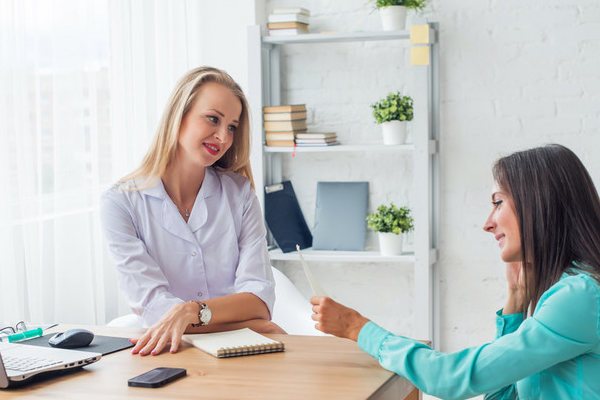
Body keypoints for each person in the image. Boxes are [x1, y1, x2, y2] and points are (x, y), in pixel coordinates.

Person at [310, 144, 600, 399]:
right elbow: (498, 396)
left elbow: (449, 379)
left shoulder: (579, 297)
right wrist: (516, 300)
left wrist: (356, 327)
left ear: (539, 204)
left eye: (498, 203)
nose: (487, 223)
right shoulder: (566, 292)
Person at [101, 66, 284, 357]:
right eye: (213, 119)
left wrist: (191, 312)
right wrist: (250, 326)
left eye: (232, 127)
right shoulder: (121, 202)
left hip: (241, 354)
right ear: (179, 115)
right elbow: (154, 309)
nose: (223, 137)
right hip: (168, 353)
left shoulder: (239, 193)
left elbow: (259, 299)